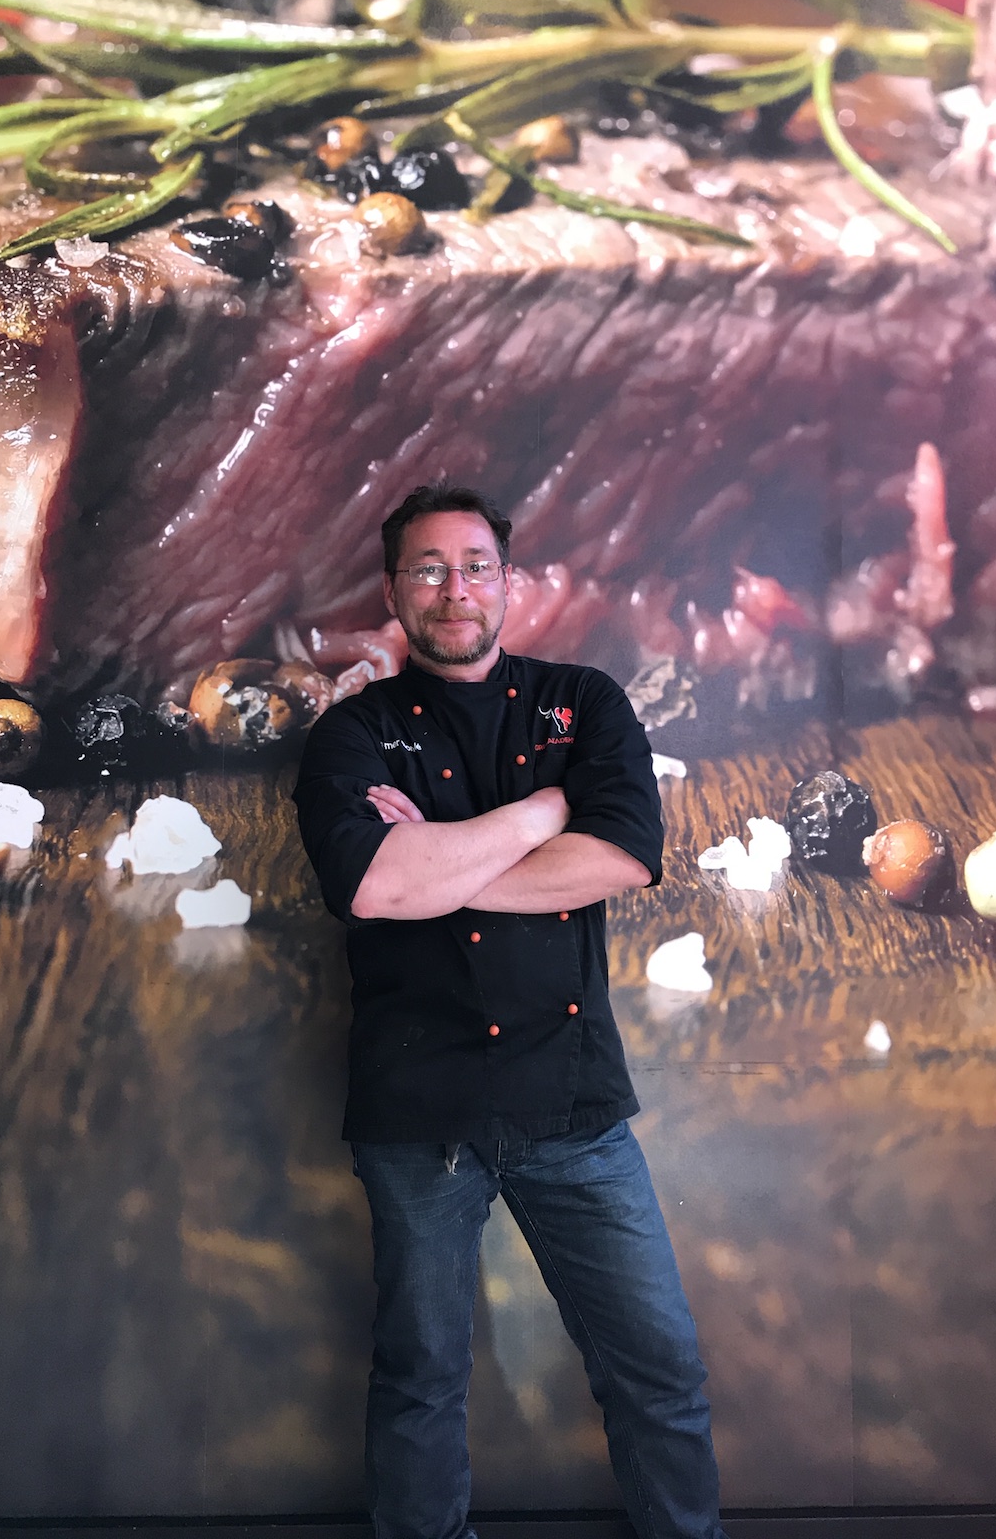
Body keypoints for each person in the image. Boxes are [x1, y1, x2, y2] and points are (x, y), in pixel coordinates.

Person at [292, 484, 727, 1539]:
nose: (456, 588)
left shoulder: (584, 700)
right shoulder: (351, 734)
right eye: (429, 568)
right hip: (418, 1112)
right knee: (420, 1378)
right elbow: (373, 887)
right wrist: (542, 811)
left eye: (475, 565)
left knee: (658, 1366)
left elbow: (622, 857)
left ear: (508, 582)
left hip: (574, 1102)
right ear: (394, 591)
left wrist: (438, 861)